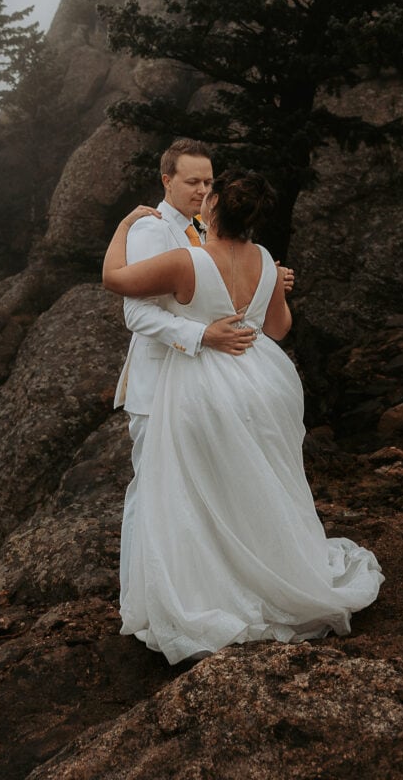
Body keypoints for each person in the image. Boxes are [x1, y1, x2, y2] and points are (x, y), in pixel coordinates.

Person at [103, 169, 384, 665]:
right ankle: (273, 577)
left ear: (213, 209)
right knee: (258, 485)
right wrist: (269, 288)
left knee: (195, 490)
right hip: (263, 380)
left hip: (202, 383)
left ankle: (213, 593)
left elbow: (115, 280)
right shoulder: (266, 263)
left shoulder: (187, 260)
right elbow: (277, 327)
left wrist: (125, 227)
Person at [114, 140, 278, 605]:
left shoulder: (208, 230)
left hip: (210, 386)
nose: (202, 188)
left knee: (208, 494)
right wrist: (201, 334)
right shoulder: (151, 230)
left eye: (208, 181)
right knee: (155, 493)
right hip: (159, 383)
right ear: (167, 181)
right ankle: (157, 599)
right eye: (192, 181)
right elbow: (136, 314)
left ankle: (210, 592)